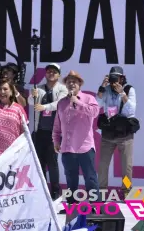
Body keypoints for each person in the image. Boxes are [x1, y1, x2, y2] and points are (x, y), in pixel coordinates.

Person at [52, 70, 100, 205]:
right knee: (70, 180)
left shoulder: (89, 99)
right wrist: (56, 141)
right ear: (66, 84)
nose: (71, 83)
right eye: (69, 81)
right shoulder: (61, 103)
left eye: (74, 81)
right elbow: (57, 125)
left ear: (80, 84)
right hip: (67, 148)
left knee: (90, 179)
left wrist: (77, 102)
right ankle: (72, 207)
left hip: (85, 147)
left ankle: (96, 207)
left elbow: (95, 112)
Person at [96, 66, 138, 197]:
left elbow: (131, 111)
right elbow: (97, 104)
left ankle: (126, 191)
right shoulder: (106, 89)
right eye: (112, 77)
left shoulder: (129, 89)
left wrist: (122, 94)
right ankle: (102, 192)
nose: (115, 80)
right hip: (108, 133)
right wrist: (102, 87)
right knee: (103, 165)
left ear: (122, 77)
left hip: (125, 134)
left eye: (117, 77)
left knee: (126, 167)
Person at [27, 63, 68, 200]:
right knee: (40, 163)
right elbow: (31, 103)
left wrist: (43, 107)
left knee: (53, 163)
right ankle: (42, 191)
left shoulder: (63, 89)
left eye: (54, 71)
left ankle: (56, 191)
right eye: (49, 71)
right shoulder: (38, 88)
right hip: (40, 131)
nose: (51, 73)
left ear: (59, 75)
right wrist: (32, 96)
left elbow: (60, 104)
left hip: (54, 132)